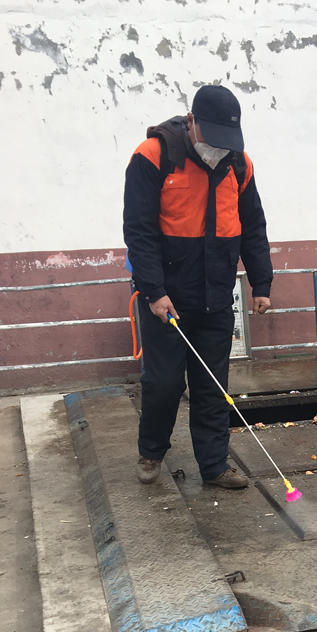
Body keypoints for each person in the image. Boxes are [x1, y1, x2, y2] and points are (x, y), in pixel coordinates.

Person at [123, 85, 273, 487]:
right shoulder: (152, 156)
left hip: (216, 296)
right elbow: (138, 231)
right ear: (191, 122)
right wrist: (154, 291)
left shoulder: (239, 164)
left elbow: (253, 226)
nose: (218, 147)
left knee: (213, 386)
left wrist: (261, 283)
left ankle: (214, 466)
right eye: (212, 137)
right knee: (164, 384)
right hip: (166, 301)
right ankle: (151, 452)